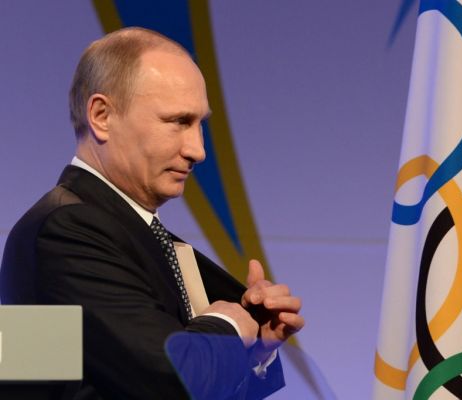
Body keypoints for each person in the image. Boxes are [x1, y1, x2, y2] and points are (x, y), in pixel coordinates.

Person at [0, 27, 304, 399]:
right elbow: (169, 381)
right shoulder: (64, 230)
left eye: (200, 124)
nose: (198, 150)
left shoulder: (123, 231)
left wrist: (255, 349)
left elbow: (125, 380)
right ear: (101, 115)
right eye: (178, 122)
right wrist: (228, 325)